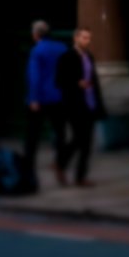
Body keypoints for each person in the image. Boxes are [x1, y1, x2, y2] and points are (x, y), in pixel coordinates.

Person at [53, 27, 104, 187]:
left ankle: (80, 177)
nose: (86, 41)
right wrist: (76, 83)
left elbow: (94, 81)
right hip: (74, 105)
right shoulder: (66, 57)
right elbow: (59, 80)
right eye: (83, 37)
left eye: (88, 38)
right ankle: (61, 164)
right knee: (77, 139)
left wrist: (98, 105)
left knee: (87, 143)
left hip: (89, 104)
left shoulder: (89, 56)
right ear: (76, 38)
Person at [24, 20, 69, 184]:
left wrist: (34, 98)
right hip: (59, 97)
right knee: (60, 132)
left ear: (35, 34)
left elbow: (34, 77)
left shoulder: (37, 50)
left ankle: (29, 167)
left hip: (41, 98)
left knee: (32, 134)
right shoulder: (62, 48)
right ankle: (60, 164)